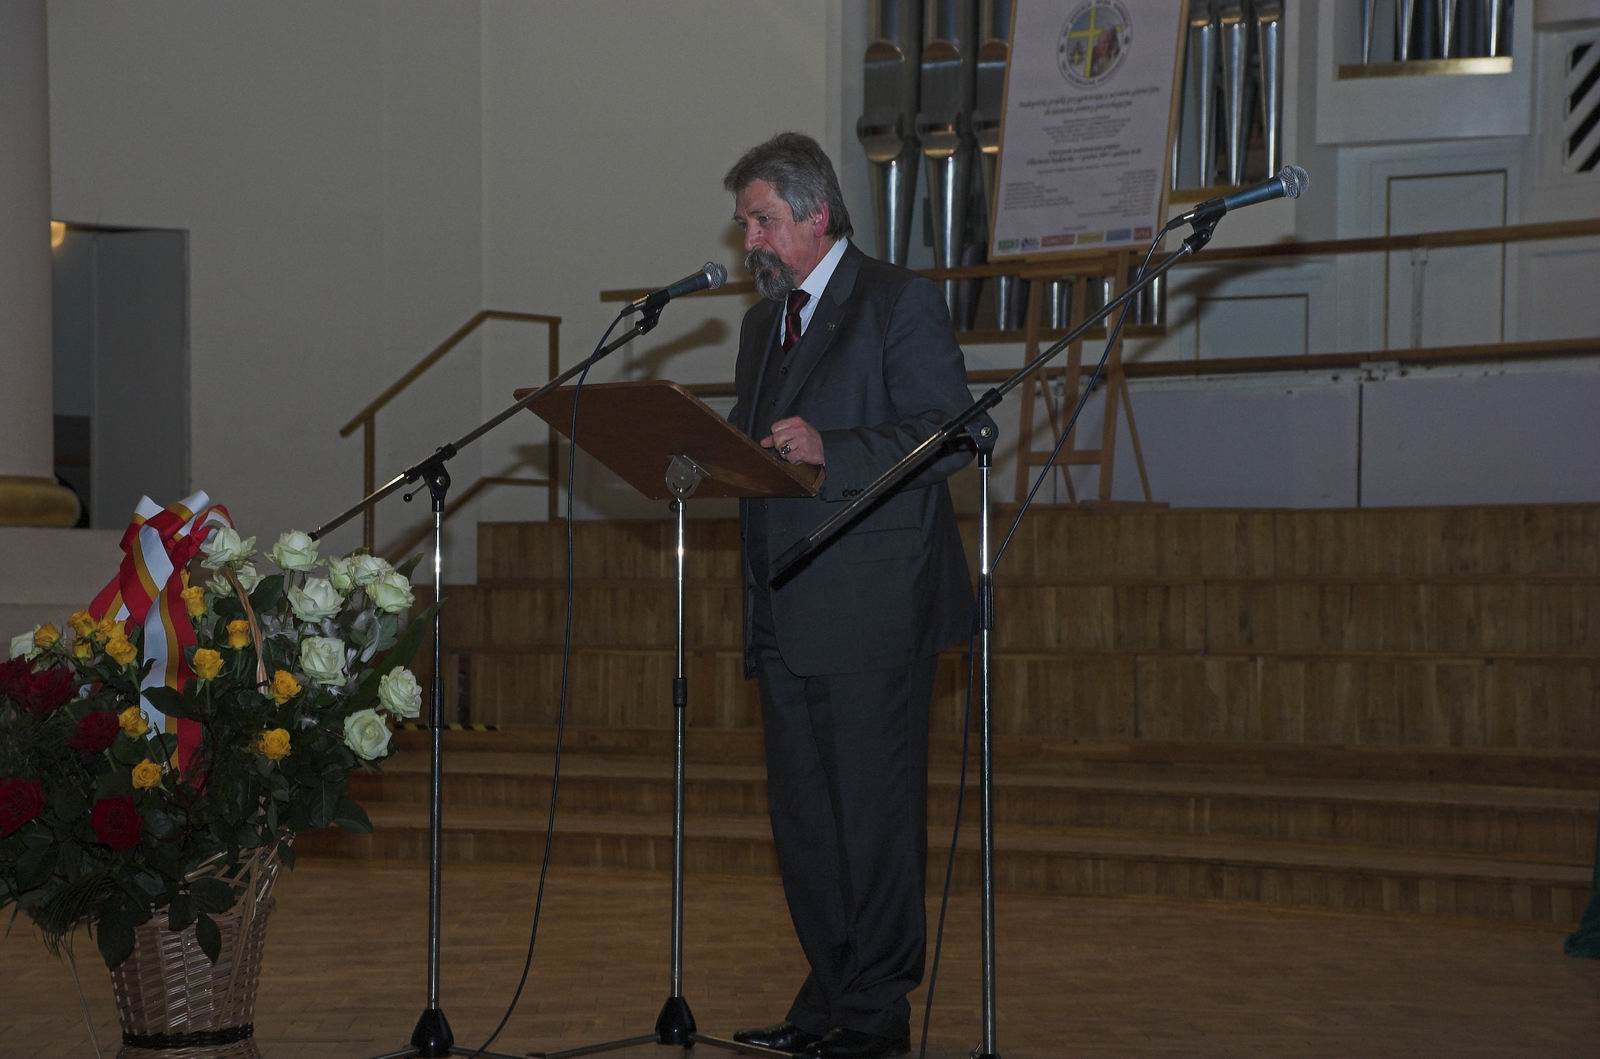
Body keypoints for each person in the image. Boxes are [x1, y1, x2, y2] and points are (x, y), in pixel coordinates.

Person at [724, 132, 982, 1059]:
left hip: (874, 609)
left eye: (761, 220)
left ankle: (875, 1012)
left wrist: (833, 449)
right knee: (806, 826)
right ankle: (827, 998)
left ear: (817, 214)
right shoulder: (762, 328)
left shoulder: (896, 301)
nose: (748, 240)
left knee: (872, 822)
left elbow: (948, 432)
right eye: (744, 223)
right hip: (784, 607)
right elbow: (755, 450)